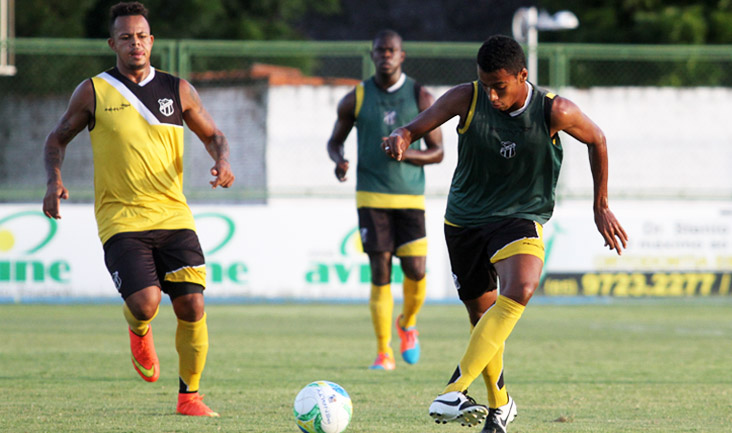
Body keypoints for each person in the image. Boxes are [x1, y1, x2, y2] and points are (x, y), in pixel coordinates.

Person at [382, 35, 628, 432]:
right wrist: (400, 138)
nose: (492, 96)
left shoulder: (555, 110)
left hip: (520, 214)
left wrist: (600, 205)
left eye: (500, 86)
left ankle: (455, 388)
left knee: (523, 287)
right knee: (482, 318)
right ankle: (501, 406)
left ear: (522, 76)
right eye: (486, 85)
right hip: (464, 221)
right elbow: (414, 128)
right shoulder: (467, 97)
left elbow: (597, 139)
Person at [42, 1, 234, 417]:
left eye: (142, 36)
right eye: (126, 37)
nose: (135, 43)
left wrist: (222, 160)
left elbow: (214, 133)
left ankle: (190, 398)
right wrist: (53, 179)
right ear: (113, 43)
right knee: (147, 302)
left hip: (173, 215)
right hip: (120, 218)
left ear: (152, 41)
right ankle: (139, 327)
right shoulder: (93, 91)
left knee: (192, 305)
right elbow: (56, 139)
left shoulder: (177, 89)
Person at [326, 29, 444, 370]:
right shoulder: (357, 98)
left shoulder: (421, 96)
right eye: (380, 50)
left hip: (410, 198)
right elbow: (335, 141)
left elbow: (437, 153)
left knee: (416, 271)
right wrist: (339, 160)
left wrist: (405, 153)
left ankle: (407, 323)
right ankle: (383, 352)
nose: (386, 55)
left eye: (392, 50)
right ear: (372, 54)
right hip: (371, 196)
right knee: (380, 272)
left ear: (402, 55)